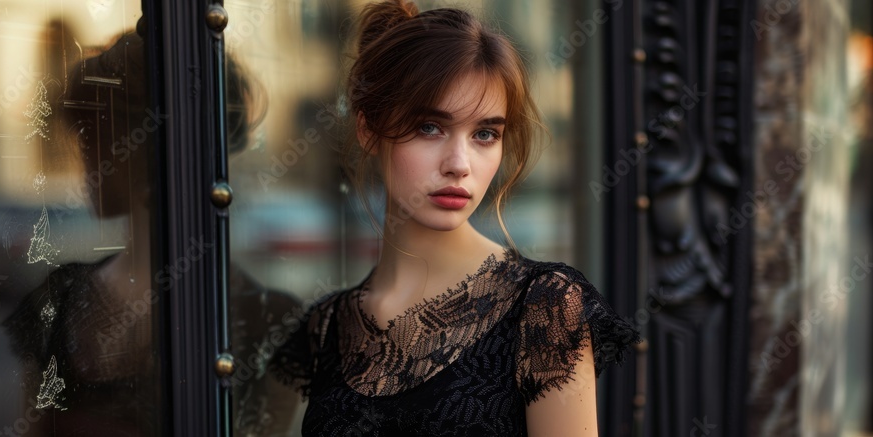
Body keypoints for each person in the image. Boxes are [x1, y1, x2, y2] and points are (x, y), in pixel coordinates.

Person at [268, 1, 642, 436]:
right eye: (430, 126)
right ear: (368, 129)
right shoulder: (327, 327)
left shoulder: (545, 307)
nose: (459, 164)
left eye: (485, 134)